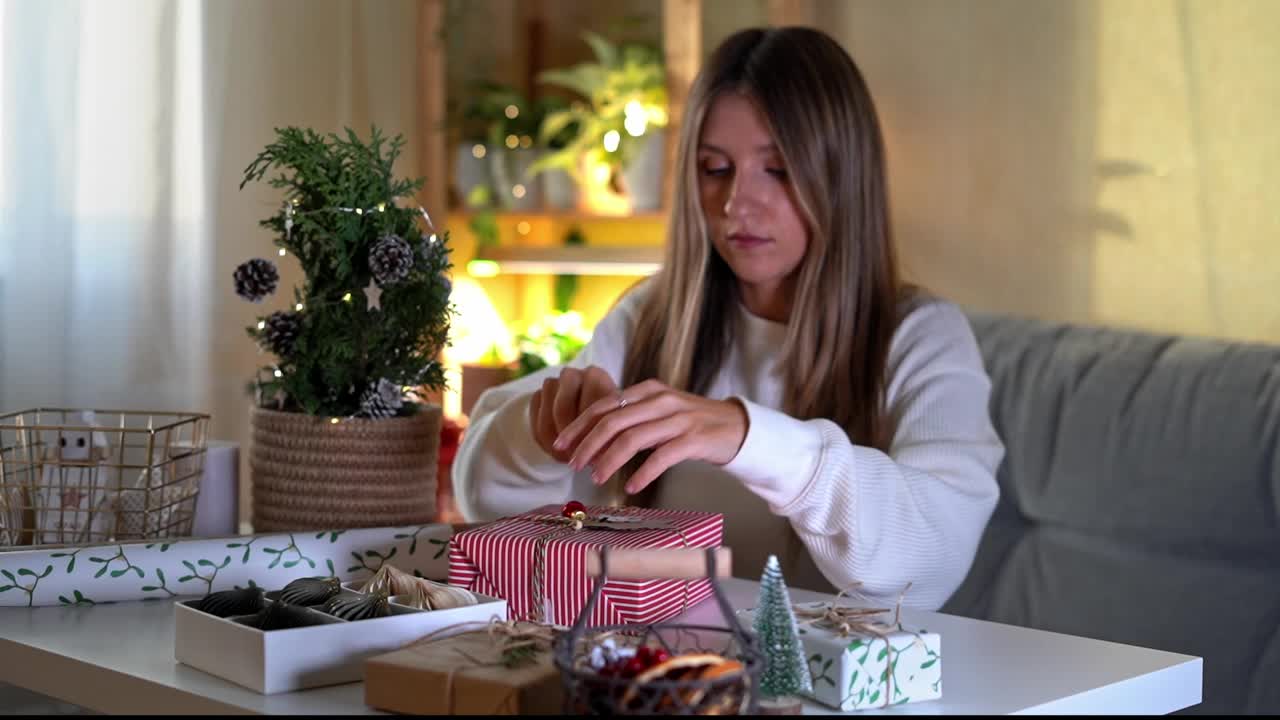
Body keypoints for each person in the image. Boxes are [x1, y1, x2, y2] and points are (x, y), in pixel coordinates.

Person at [451, 26, 1004, 610]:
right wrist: (538, 433)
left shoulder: (921, 336)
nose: (738, 204)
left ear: (842, 177)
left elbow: (934, 558)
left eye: (780, 170)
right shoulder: (652, 315)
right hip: (668, 677)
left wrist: (747, 436)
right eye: (716, 169)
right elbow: (484, 504)